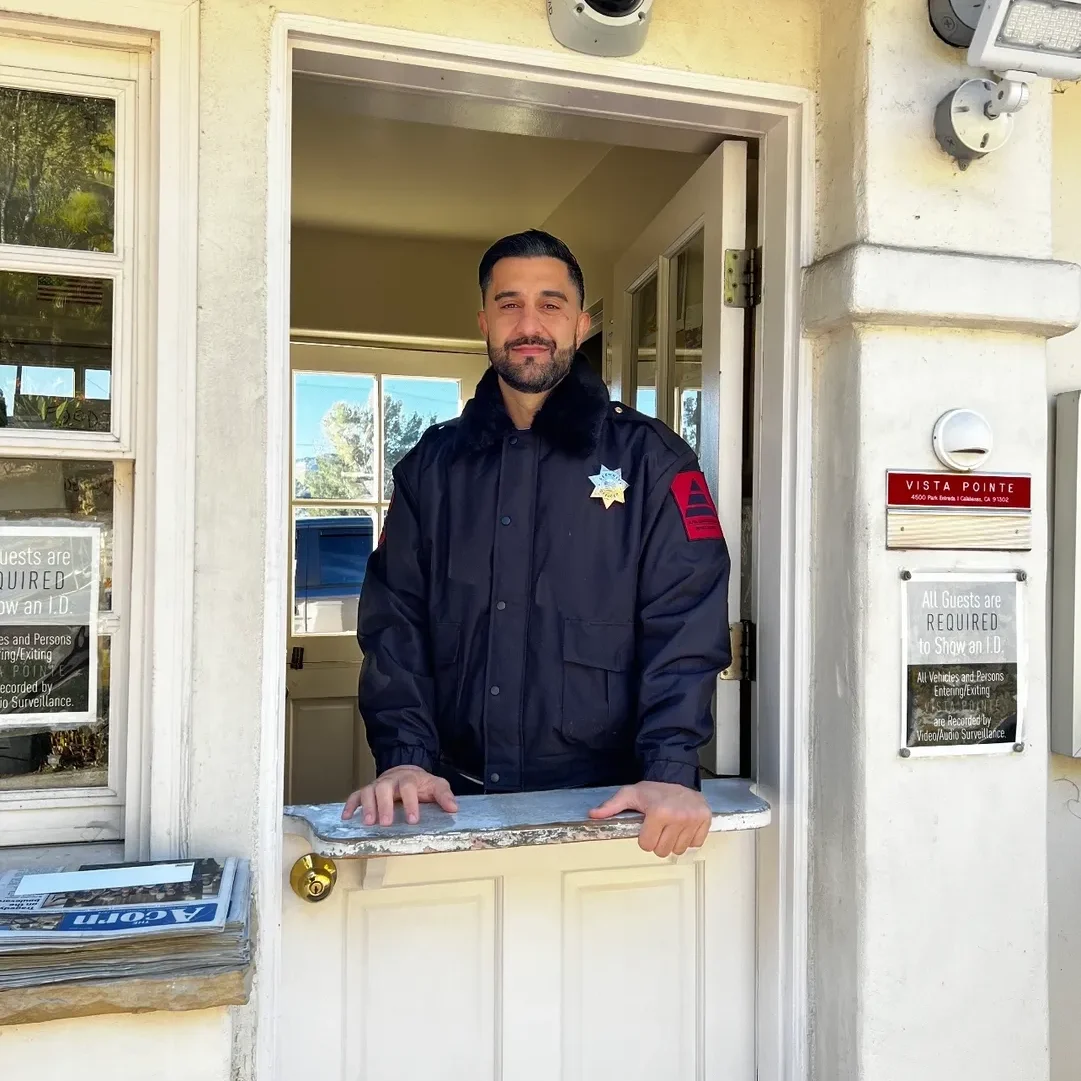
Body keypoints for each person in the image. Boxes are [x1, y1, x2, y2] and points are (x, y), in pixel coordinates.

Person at [342, 229, 732, 858]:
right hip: (452, 806)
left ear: (579, 324)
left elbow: (685, 624)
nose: (530, 323)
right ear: (484, 322)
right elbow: (396, 627)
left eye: (550, 305)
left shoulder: (652, 459)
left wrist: (669, 769)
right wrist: (404, 760)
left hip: (610, 813)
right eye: (509, 304)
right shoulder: (431, 469)